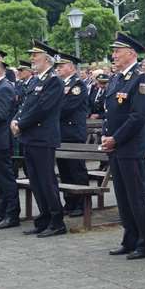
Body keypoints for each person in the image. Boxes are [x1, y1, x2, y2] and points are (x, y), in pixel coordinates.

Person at [103, 32, 145, 259]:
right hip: (115, 147)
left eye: (118, 51)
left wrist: (115, 138)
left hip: (131, 147)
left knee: (137, 196)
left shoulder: (140, 78)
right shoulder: (116, 78)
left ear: (131, 53)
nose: (113, 55)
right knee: (122, 197)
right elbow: (111, 112)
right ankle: (130, 237)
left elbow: (138, 115)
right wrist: (108, 138)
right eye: (113, 51)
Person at [11, 41, 66, 237]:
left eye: (36, 55)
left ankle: (57, 221)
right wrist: (16, 119)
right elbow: (25, 105)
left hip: (43, 138)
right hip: (30, 138)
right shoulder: (34, 81)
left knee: (46, 180)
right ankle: (43, 219)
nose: (32, 58)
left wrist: (21, 124)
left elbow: (42, 109)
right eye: (32, 55)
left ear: (47, 58)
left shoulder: (54, 81)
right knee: (35, 181)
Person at [54, 51, 90, 217]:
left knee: (76, 170)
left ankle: (81, 204)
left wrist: (50, 111)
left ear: (71, 68)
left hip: (73, 132)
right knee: (65, 170)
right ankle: (70, 202)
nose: (58, 69)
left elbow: (67, 107)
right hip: (62, 133)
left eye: (61, 66)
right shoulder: (61, 85)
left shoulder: (78, 85)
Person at [0, 58, 19, 229]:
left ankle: (12, 214)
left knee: (6, 179)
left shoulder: (5, 88)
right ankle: (1, 212)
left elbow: (1, 115)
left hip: (0, 140)